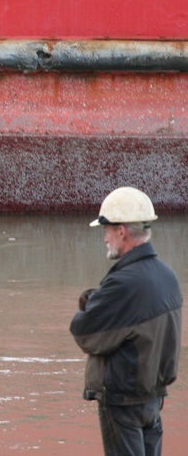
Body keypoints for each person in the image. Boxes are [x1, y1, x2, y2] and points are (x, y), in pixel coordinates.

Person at [70, 187, 182, 456]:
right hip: (154, 398)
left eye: (106, 230)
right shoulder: (167, 276)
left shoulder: (124, 282)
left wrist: (91, 302)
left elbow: (84, 332)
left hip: (123, 402)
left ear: (121, 231)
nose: (104, 238)